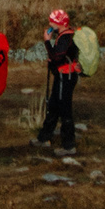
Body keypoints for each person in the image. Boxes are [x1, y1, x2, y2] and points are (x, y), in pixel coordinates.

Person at [36, 8, 81, 152]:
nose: (50, 24)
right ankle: (44, 138)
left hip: (65, 77)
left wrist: (47, 42)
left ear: (59, 23)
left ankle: (69, 145)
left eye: (52, 22)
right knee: (54, 107)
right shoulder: (67, 35)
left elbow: (57, 57)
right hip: (64, 75)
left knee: (64, 109)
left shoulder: (65, 37)